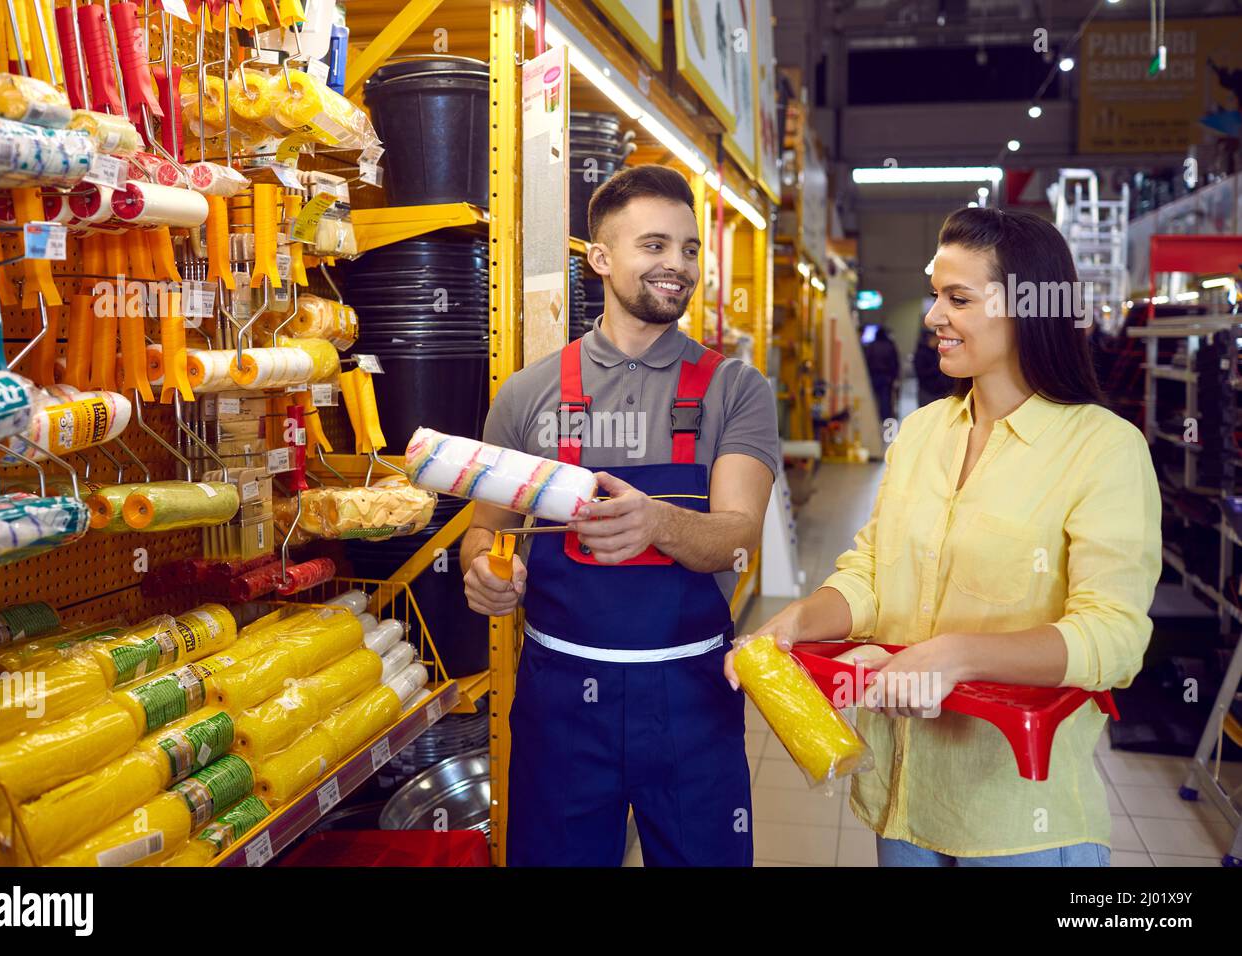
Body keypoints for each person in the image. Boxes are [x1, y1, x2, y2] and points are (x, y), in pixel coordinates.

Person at [726, 206, 1160, 867]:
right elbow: (869, 574)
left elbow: (1115, 638)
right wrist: (796, 623)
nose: (932, 317)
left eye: (957, 298)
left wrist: (955, 655)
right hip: (901, 802)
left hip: (1018, 821)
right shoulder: (925, 432)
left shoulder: (1102, 449)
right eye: (937, 296)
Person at [460, 165, 779, 866]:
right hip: (562, 701)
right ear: (600, 259)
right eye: (655, 246)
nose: (678, 266)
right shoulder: (527, 395)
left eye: (691, 249)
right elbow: (486, 530)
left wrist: (660, 524)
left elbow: (738, 537)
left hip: (693, 694)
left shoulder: (735, 390)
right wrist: (485, 570)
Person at [863, 324, 900, 423]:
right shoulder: (889, 345)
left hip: (874, 375)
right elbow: (895, 362)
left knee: (875, 398)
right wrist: (895, 376)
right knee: (886, 398)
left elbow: (867, 361)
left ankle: (876, 418)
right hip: (887, 376)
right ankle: (886, 419)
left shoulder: (871, 346)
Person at [913, 326, 954, 406]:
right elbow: (922, 373)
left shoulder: (937, 350)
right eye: (936, 338)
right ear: (930, 339)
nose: (938, 341)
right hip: (928, 390)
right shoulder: (922, 353)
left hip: (941, 390)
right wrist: (938, 365)